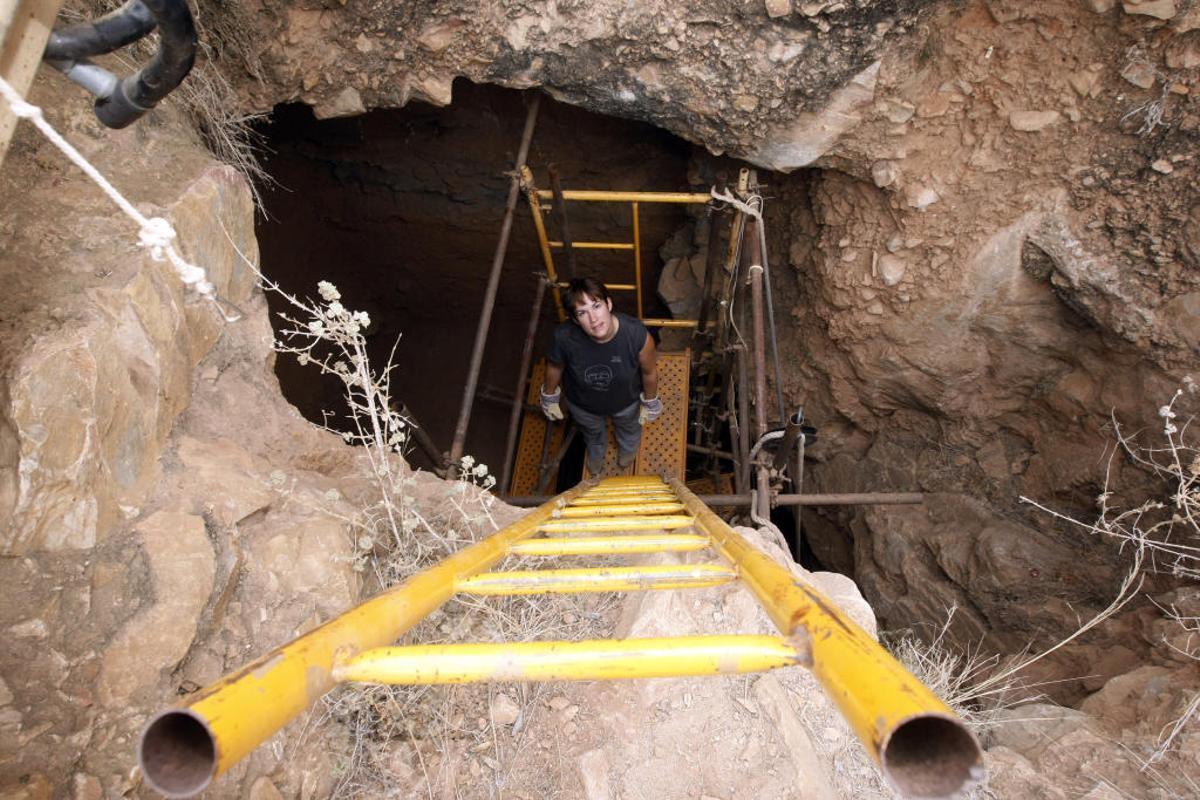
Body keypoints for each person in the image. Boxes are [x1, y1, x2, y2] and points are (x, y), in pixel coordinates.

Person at [540, 277, 662, 474]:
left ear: (609, 304)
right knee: (592, 433)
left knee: (629, 429)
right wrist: (549, 395)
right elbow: (555, 366)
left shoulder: (637, 336)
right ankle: (597, 450)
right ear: (574, 320)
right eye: (582, 313)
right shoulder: (564, 337)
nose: (593, 319)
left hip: (626, 402)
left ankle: (628, 449)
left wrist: (650, 401)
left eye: (596, 306)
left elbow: (649, 372)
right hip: (582, 405)